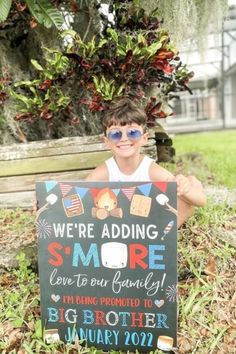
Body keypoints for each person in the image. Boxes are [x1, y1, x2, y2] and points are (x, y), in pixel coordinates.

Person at [86, 98, 207, 227]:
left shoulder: (150, 169)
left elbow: (201, 201)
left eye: (132, 132)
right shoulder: (103, 173)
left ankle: (165, 234)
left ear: (144, 138)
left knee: (188, 190)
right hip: (118, 225)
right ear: (107, 141)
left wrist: (185, 188)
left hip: (146, 225)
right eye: (116, 134)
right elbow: (85, 202)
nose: (124, 139)